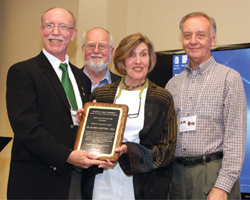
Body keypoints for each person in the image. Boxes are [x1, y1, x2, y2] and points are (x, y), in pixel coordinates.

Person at [6, 7, 110, 199]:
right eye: (50, 25)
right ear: (41, 30)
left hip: (75, 181)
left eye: (63, 26)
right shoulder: (22, 72)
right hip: (36, 182)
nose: (55, 32)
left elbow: (75, 125)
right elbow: (27, 129)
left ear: (73, 34)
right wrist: (67, 156)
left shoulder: (82, 79)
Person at [78, 33, 177, 199]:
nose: (138, 61)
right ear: (122, 60)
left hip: (143, 184)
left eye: (143, 55)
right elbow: (89, 140)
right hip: (103, 179)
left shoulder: (162, 98)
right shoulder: (101, 94)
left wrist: (128, 150)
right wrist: (83, 124)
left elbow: (166, 151)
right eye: (131, 55)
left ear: (150, 59)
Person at [165, 12, 247, 200]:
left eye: (200, 35)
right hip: (177, 177)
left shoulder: (229, 78)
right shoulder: (172, 84)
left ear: (213, 39)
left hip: (213, 175)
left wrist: (223, 186)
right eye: (187, 35)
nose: (193, 41)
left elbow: (235, 137)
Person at [81, 27, 120, 92]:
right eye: (91, 45)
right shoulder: (70, 80)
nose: (96, 51)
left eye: (102, 46)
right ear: (83, 50)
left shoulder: (122, 85)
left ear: (111, 51)